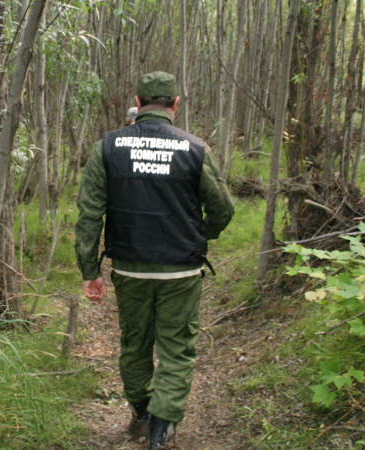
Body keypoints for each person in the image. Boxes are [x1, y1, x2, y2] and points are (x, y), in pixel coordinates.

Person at [75, 71, 235, 449]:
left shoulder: (108, 146)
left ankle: (142, 415)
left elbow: (89, 213)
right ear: (176, 103)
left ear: (138, 101)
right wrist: (200, 235)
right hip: (181, 268)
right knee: (176, 348)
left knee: (135, 343)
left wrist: (90, 270)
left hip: (129, 268)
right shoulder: (195, 149)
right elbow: (223, 209)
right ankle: (161, 433)